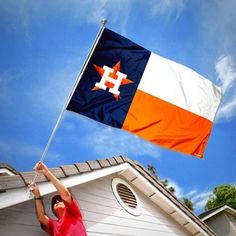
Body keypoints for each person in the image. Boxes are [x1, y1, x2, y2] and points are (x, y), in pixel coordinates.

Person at [29, 162, 87, 236]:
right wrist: (37, 195)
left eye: (60, 200)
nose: (57, 201)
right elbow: (41, 218)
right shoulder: (53, 225)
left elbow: (65, 193)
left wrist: (46, 172)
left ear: (66, 206)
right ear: (53, 211)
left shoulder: (74, 213)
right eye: (55, 202)